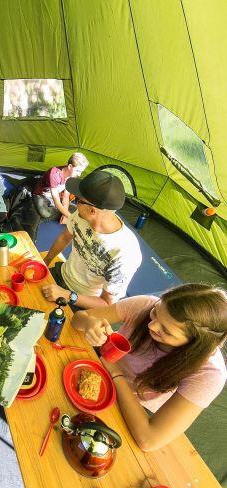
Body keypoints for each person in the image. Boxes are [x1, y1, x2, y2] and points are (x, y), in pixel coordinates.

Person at [71, 283, 227, 451]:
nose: (151, 326)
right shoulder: (146, 304)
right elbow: (78, 318)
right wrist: (88, 322)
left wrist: (115, 373)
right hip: (99, 368)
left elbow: (149, 440)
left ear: (195, 344)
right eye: (155, 312)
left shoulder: (210, 374)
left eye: (166, 331)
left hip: (134, 406)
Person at [41, 170, 142, 309]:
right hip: (62, 275)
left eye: (77, 201)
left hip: (84, 301)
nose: (75, 205)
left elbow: (107, 303)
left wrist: (67, 295)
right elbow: (65, 237)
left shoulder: (124, 254)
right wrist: (45, 261)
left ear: (92, 210)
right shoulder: (81, 215)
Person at [32, 152, 89, 223]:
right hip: (42, 196)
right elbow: (57, 202)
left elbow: (66, 197)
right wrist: (72, 219)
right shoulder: (54, 174)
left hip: (55, 198)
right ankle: (48, 214)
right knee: (44, 212)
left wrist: (65, 215)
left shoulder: (72, 176)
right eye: (78, 171)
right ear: (70, 166)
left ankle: (56, 213)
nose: (79, 174)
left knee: (77, 210)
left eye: (81, 172)